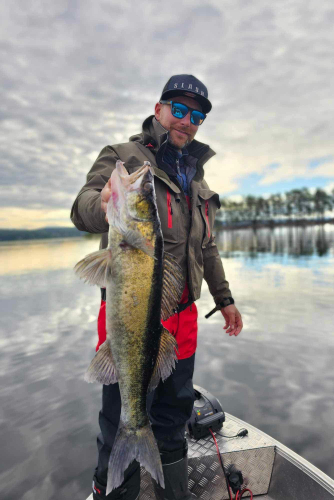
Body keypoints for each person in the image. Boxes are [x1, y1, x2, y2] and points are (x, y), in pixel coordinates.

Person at [71, 74, 243, 500]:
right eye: (179, 110)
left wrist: (225, 300)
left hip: (183, 322)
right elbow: (82, 207)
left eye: (197, 116)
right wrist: (106, 204)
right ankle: (114, 488)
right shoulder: (124, 158)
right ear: (158, 109)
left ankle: (173, 494)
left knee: (173, 417)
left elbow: (207, 248)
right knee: (121, 419)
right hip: (130, 316)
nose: (187, 121)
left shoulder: (199, 185)